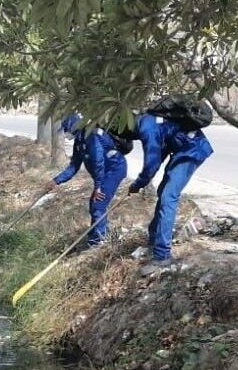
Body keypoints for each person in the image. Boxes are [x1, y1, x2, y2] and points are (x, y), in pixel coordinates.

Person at [129, 109, 214, 264]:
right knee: (163, 193)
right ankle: (154, 240)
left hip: (191, 150)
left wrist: (138, 184)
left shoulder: (146, 129)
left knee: (168, 197)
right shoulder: (149, 120)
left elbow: (151, 164)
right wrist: (142, 181)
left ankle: (162, 255)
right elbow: (160, 153)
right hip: (182, 149)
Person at [52, 113, 128, 247]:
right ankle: (94, 238)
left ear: (74, 127)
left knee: (98, 204)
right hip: (104, 174)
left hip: (114, 170)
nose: (66, 133)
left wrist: (98, 186)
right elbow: (73, 167)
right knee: (94, 204)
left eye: (67, 130)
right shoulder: (79, 141)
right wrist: (56, 181)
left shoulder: (92, 136)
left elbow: (98, 161)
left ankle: (99, 242)